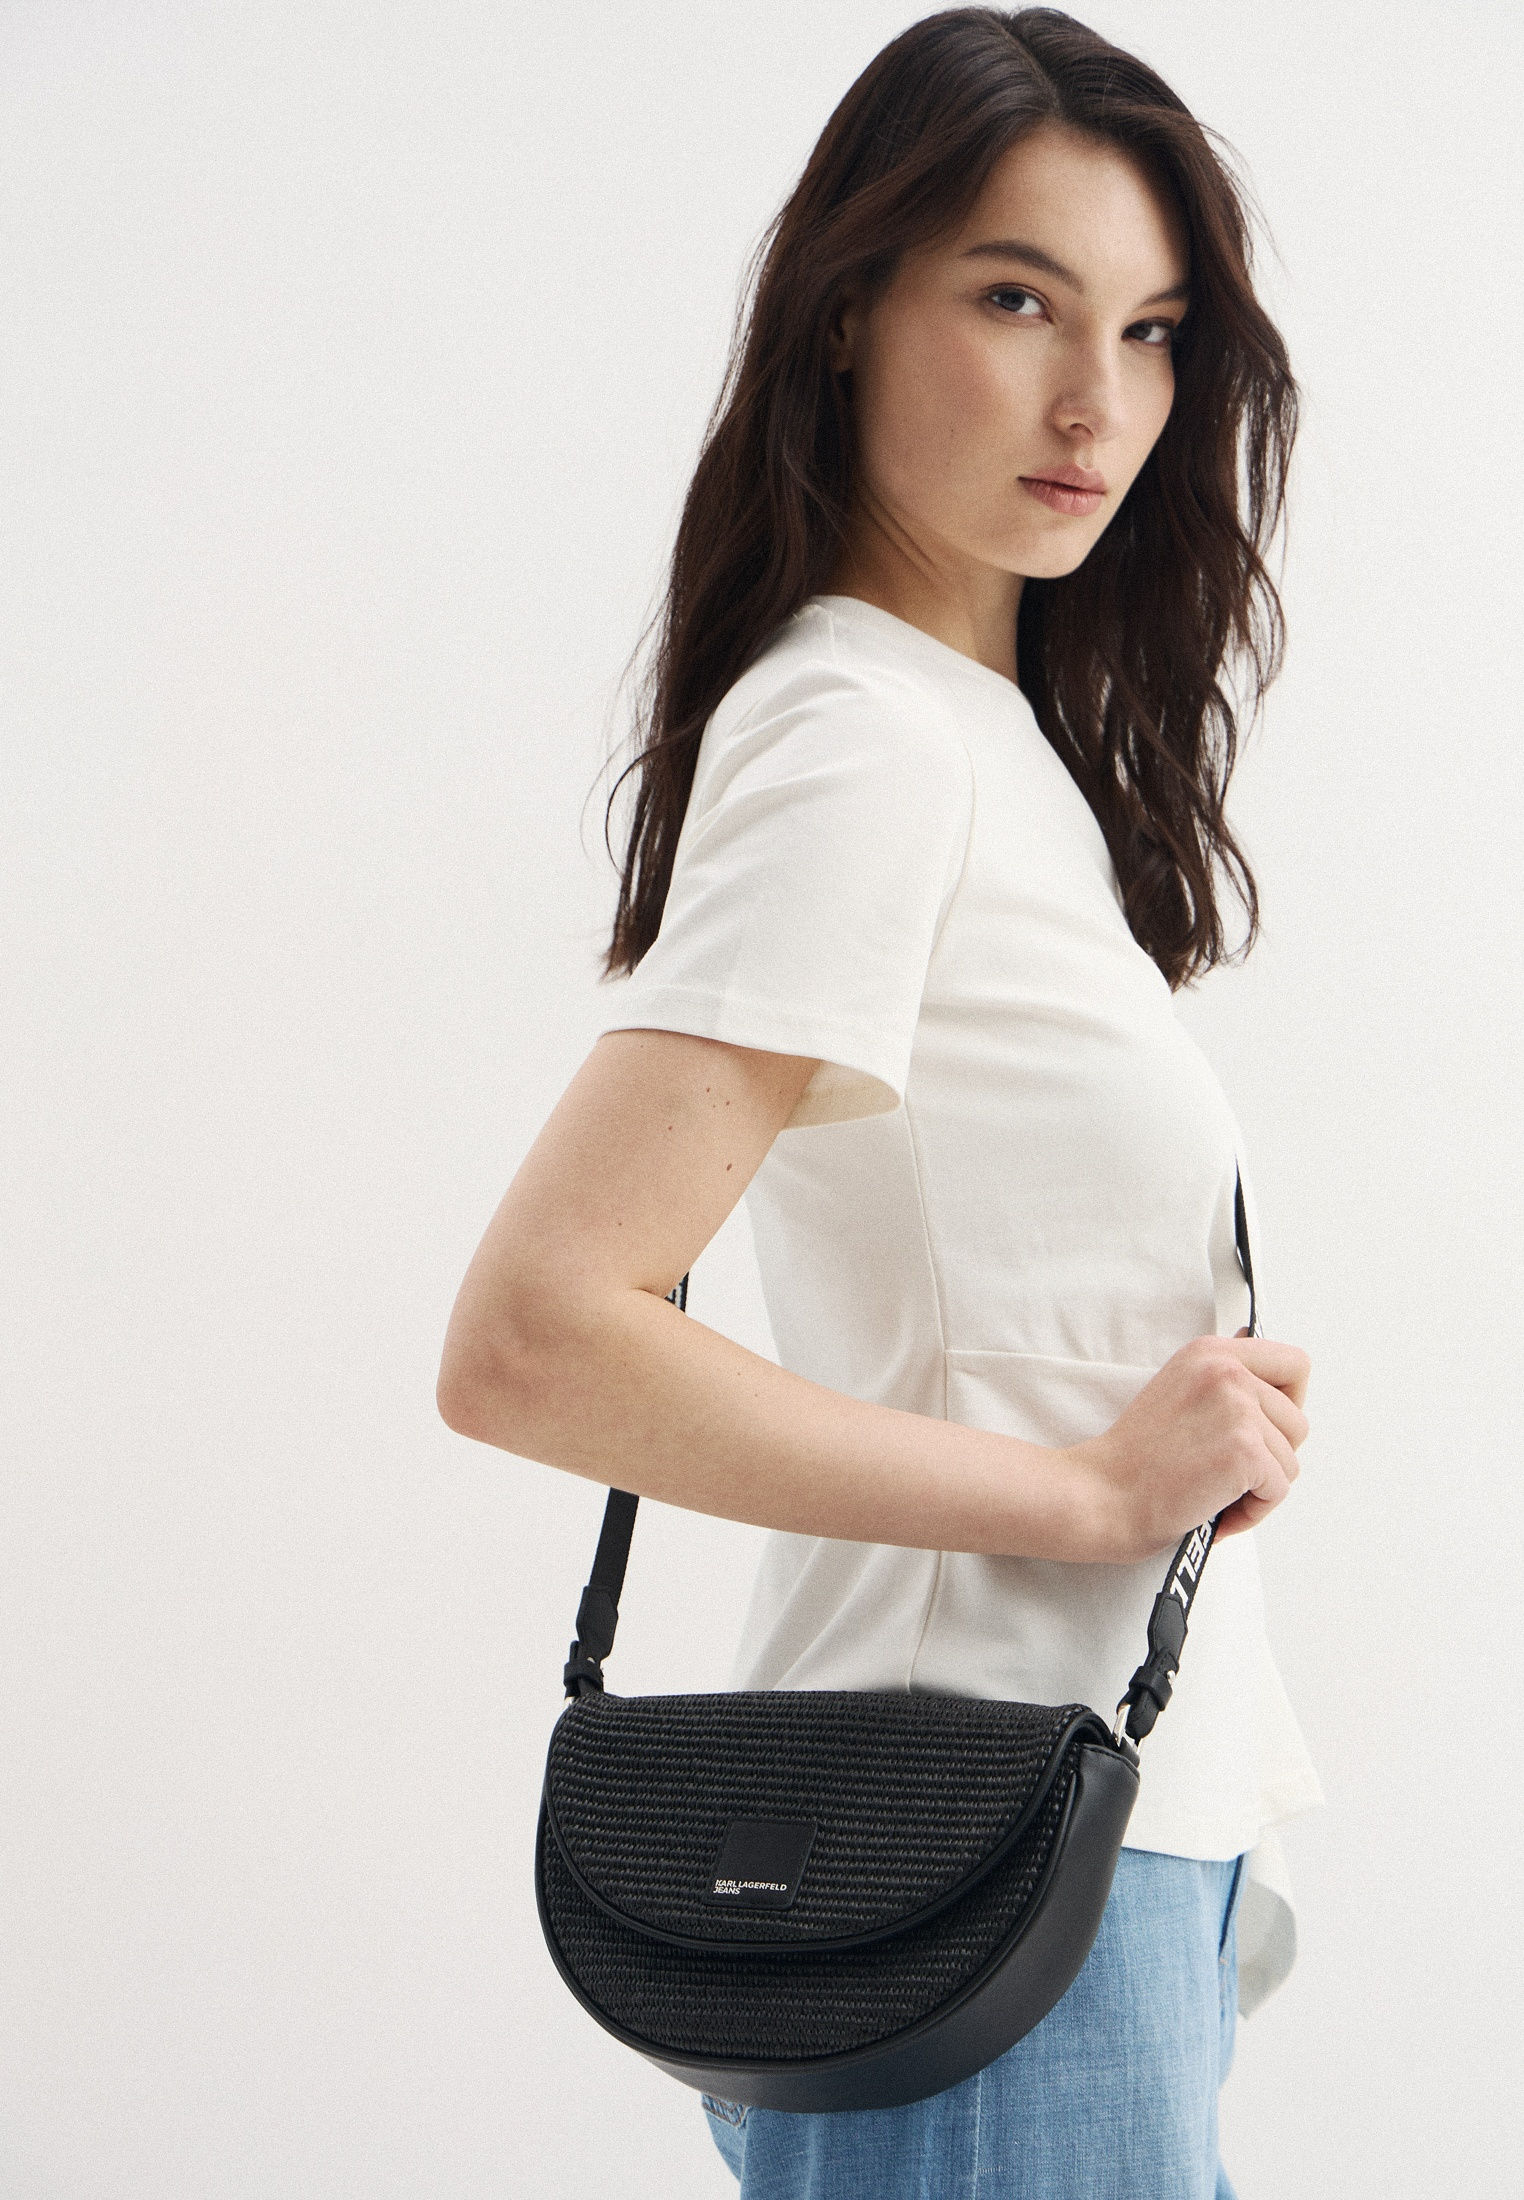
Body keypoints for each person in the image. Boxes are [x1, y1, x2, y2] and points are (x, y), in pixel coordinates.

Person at [436, 8, 1324, 2194]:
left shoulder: (975, 741)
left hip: (1085, 1824)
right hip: (977, 1846)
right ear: (847, 310)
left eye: (1151, 329)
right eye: (1017, 300)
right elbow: (537, 1334)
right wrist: (1087, 1493)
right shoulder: (862, 742)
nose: (1096, 400)